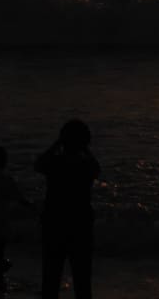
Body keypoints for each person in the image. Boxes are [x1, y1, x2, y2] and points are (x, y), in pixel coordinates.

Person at [34, 120, 100, 299]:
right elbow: (97, 169)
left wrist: (57, 143)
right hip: (80, 224)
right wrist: (85, 149)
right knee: (82, 281)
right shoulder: (86, 165)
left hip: (54, 223)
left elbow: (38, 164)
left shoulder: (55, 162)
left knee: (51, 279)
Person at [0, 146, 32, 298]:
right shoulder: (6, 179)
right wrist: (35, 207)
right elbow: (20, 199)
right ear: (4, 162)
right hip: (1, 225)